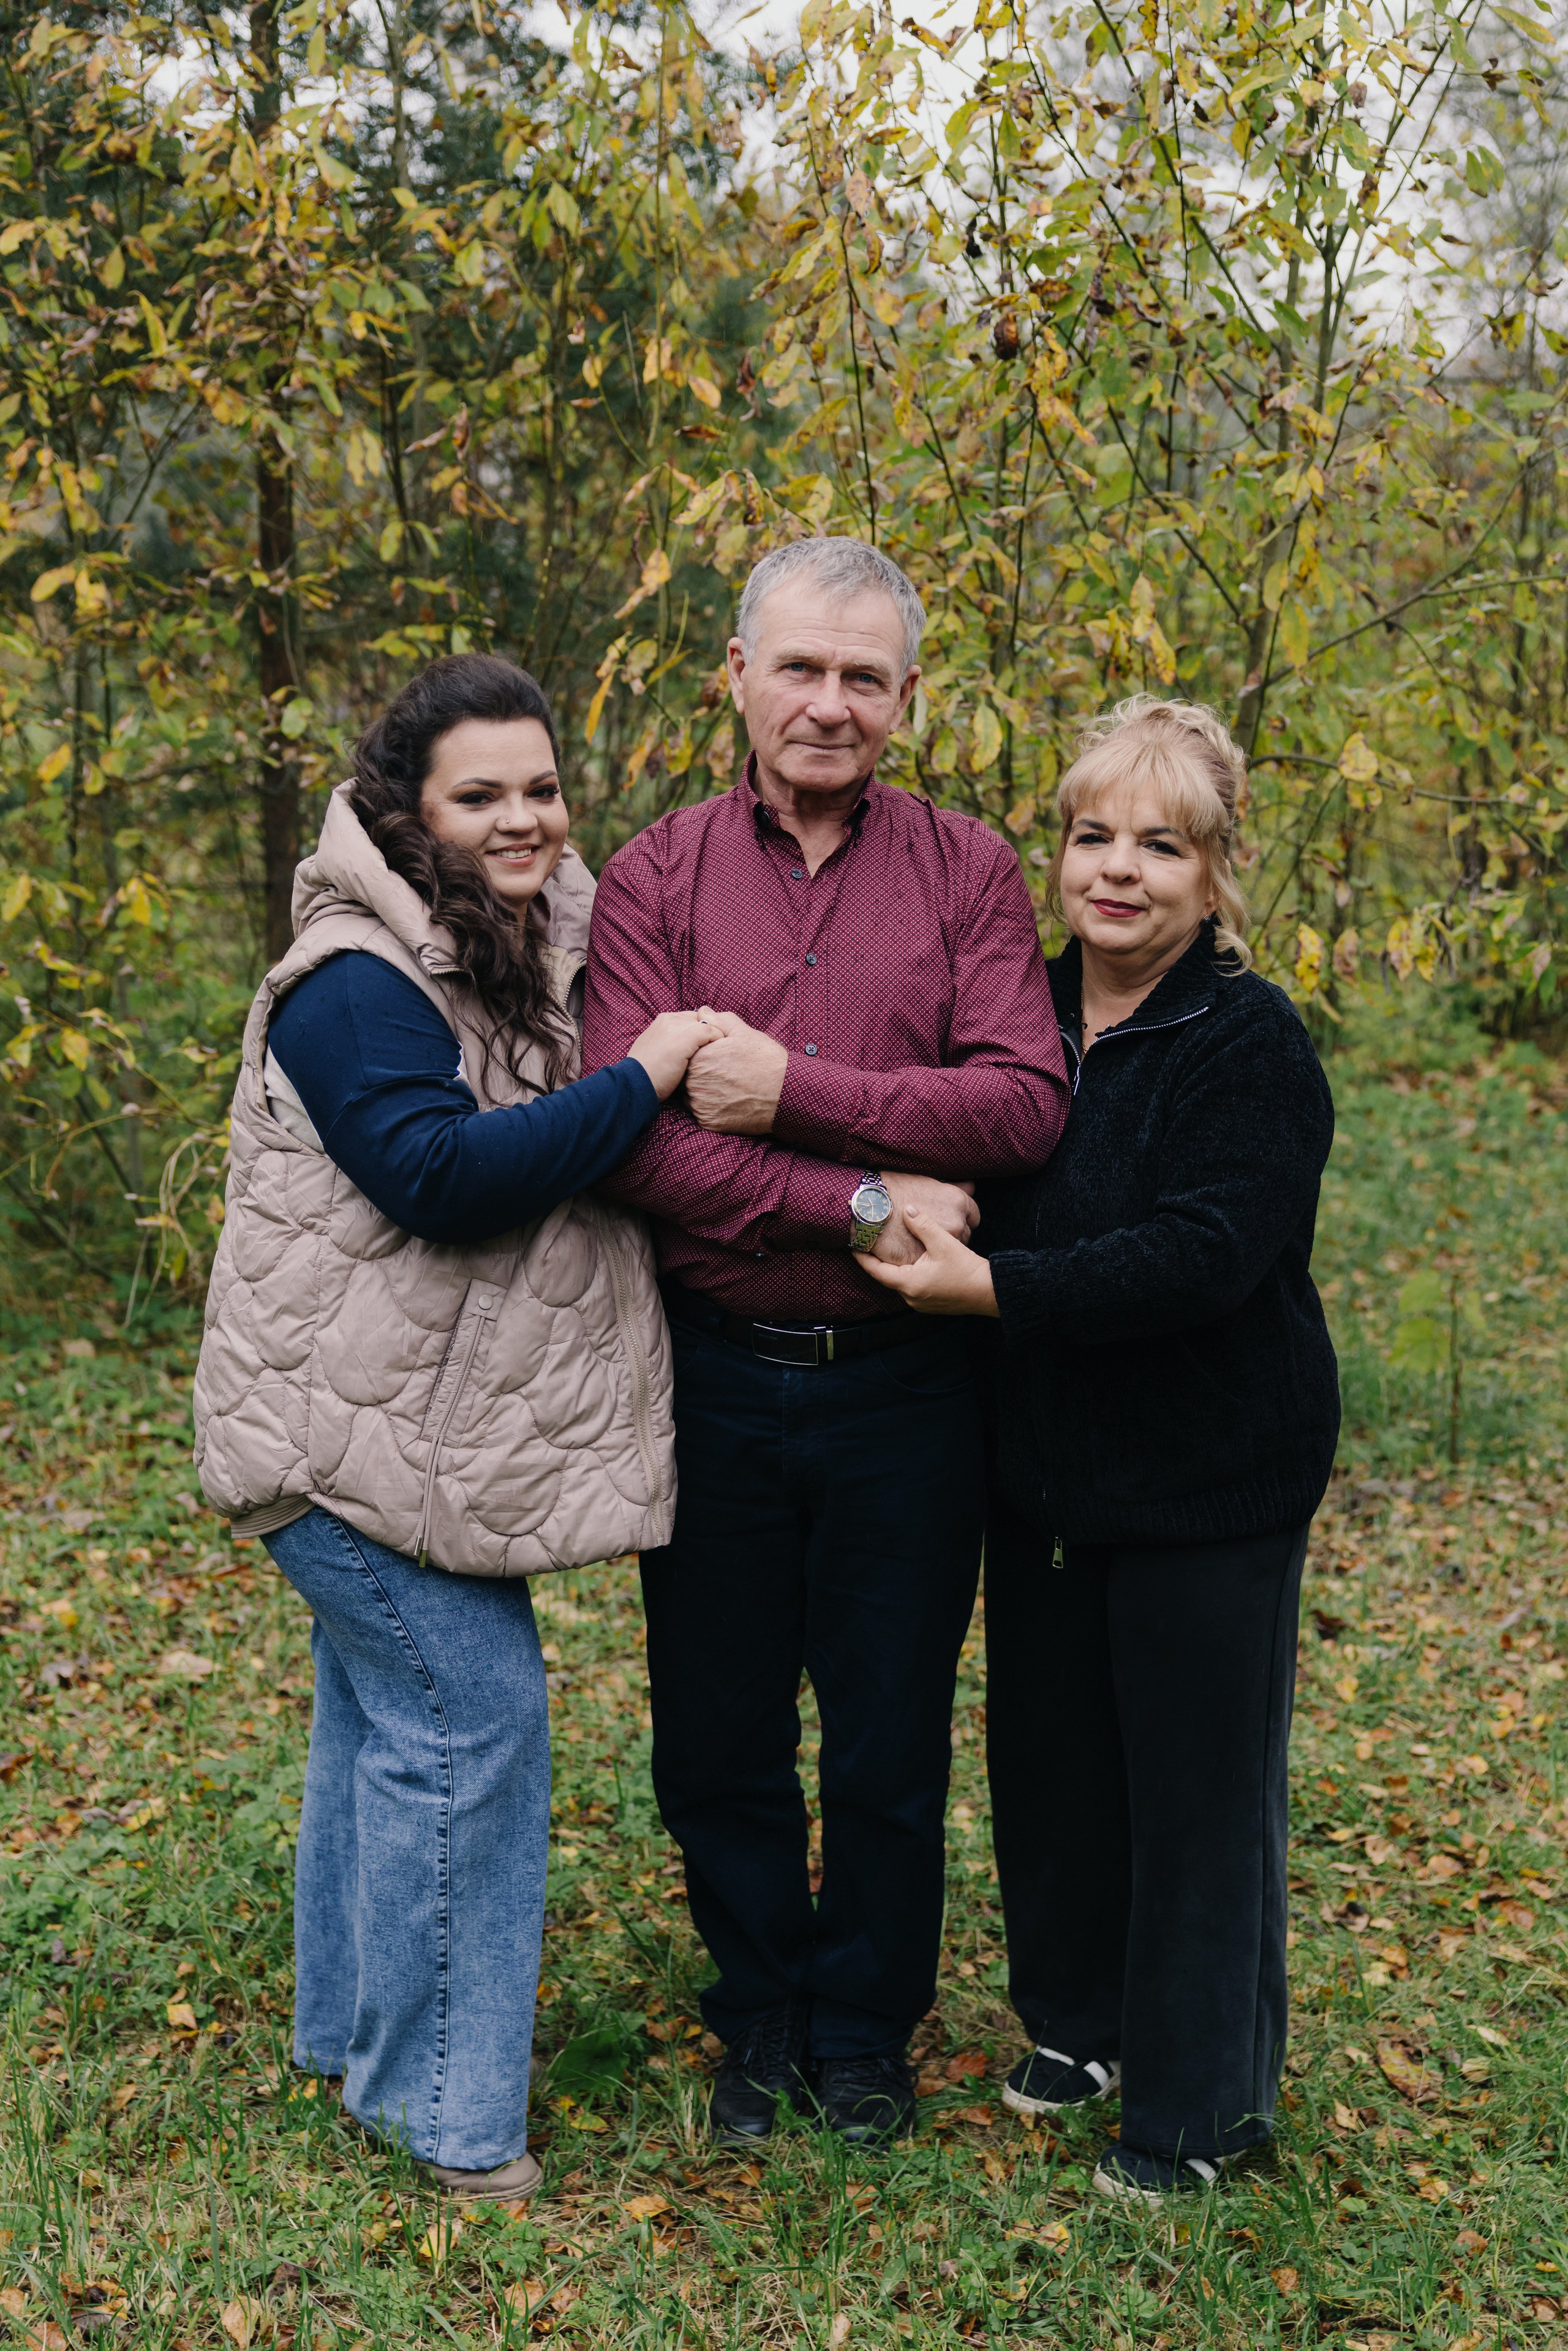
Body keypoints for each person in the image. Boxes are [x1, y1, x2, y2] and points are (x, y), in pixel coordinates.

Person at [193, 654, 715, 2200]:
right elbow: (439, 1175)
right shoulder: (356, 975)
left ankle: (348, 2036)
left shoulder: (511, 937)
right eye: (478, 793)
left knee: (381, 1721)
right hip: (329, 1442)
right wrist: (644, 1076)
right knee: (469, 1717)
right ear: (406, 811)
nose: (523, 817)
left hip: (398, 1434)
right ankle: (442, 2111)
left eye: (541, 787)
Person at [581, 537, 1070, 2146]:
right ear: (736, 674)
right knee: (715, 1729)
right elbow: (639, 1145)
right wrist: (866, 1192)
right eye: (800, 666)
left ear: (908, 697)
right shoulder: (654, 876)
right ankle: (759, 2015)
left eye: (865, 676)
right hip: (713, 1375)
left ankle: (864, 2028)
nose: (830, 702)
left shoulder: (971, 874)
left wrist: (785, 1091)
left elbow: (1018, 1101)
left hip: (910, 1396)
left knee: (886, 1729)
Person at [860, 695, 1340, 2201]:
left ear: (1212, 874)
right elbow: (950, 1142)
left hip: (1209, 1475)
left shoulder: (1245, 1040)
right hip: (1046, 1470)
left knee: (1196, 1791)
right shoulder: (1018, 1014)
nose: (1116, 869)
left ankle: (1199, 2107)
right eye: (1090, 836)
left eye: (1159, 843)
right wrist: (917, 1198)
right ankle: (1075, 2024)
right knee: (1055, 1763)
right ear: (1053, 853)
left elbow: (1196, 1254)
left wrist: (986, 1285)